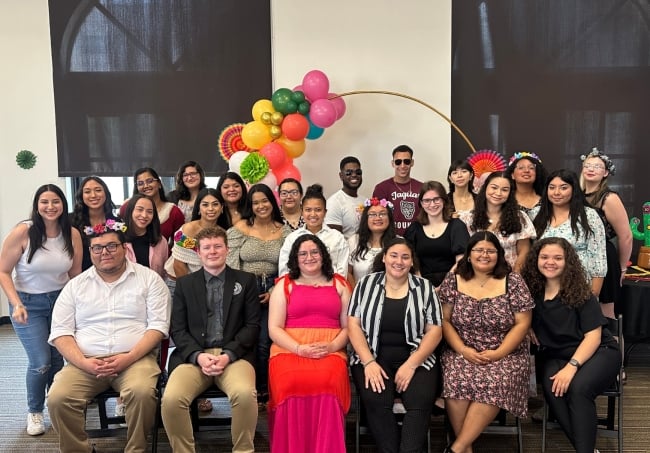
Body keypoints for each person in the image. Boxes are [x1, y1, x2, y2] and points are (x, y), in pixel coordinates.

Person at [47, 223, 170, 453]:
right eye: (97, 248)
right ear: (90, 252)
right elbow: (61, 333)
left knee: (142, 392)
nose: (105, 252)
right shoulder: (75, 286)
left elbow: (158, 326)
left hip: (136, 359)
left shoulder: (150, 280)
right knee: (58, 397)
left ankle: (136, 449)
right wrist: (84, 363)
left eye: (111, 246)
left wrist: (129, 357)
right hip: (85, 361)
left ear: (124, 247)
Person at [161, 226, 260, 453]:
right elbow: (178, 328)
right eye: (207, 247)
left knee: (245, 395)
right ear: (198, 252)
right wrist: (198, 356)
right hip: (194, 357)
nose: (212, 251)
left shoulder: (246, 281)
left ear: (227, 249)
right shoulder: (185, 284)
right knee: (172, 399)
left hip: (235, 357)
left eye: (217, 246)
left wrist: (228, 355)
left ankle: (244, 450)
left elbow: (252, 326)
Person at [521, 237, 620, 453]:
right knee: (552, 388)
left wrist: (572, 367)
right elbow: (517, 316)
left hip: (598, 352)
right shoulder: (530, 292)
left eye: (558, 258)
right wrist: (526, 325)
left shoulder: (581, 291)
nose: (550, 262)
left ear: (568, 262)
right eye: (545, 257)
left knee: (578, 389)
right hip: (556, 355)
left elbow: (593, 337)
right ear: (536, 259)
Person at [438, 231, 533, 453]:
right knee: (455, 379)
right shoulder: (453, 280)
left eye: (490, 251)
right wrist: (463, 349)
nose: (484, 255)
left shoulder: (514, 281)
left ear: (499, 255)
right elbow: (444, 320)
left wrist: (498, 353)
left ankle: (457, 448)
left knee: (494, 382)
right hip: (461, 350)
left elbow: (522, 324)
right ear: (468, 255)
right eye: (479, 250)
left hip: (507, 353)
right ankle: (465, 449)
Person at [0, 184, 82, 436]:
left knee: (59, 359)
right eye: (44, 202)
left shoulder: (72, 233)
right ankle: (34, 411)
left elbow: (74, 274)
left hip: (60, 301)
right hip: (28, 304)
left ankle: (56, 407)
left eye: (55, 201)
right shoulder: (23, 232)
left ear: (63, 205)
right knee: (40, 362)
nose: (50, 207)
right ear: (37, 205)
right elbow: (3, 271)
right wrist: (16, 303)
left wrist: (79, 307)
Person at [348, 237, 443, 453]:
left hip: (417, 357)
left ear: (412, 262)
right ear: (384, 258)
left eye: (405, 257)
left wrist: (411, 364)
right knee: (377, 402)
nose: (398, 261)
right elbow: (353, 325)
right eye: (393, 255)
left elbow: (435, 330)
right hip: (371, 356)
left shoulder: (424, 287)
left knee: (419, 403)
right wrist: (369, 362)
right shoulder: (366, 284)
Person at [267, 234, 352, 453]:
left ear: (323, 255)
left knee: (328, 384)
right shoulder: (283, 286)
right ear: (295, 258)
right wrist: (298, 348)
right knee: (289, 383)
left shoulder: (340, 285)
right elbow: (274, 328)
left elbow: (349, 327)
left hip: (330, 350)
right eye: (303, 253)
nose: (309, 257)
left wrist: (333, 347)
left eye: (314, 252)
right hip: (288, 349)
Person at [226, 184, 292, 405]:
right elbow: (232, 265)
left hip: (275, 289)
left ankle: (264, 389)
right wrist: (244, 292)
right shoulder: (239, 229)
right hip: (244, 289)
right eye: (255, 202)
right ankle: (246, 387)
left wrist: (275, 291)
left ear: (272, 203)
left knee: (265, 340)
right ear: (250, 206)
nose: (261, 206)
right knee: (246, 340)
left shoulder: (285, 232)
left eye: (265, 201)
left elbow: (291, 267)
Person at [532, 169, 607, 296]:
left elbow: (598, 257)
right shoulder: (535, 214)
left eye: (563, 188)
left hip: (579, 284)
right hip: (543, 284)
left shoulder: (588, 216)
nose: (556, 192)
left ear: (574, 189)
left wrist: (594, 294)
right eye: (552, 187)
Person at [580, 147, 633, 320]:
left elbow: (625, 236)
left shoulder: (609, 198)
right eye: (588, 165)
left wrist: (622, 267)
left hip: (604, 257)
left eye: (597, 166)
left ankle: (611, 346)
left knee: (605, 313)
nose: (591, 169)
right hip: (580, 256)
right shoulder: (575, 195)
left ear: (606, 173)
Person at [458, 171, 536, 272]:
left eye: (504, 190)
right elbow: (463, 252)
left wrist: (514, 277)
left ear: (510, 193)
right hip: (476, 276)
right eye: (494, 188)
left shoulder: (520, 217)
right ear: (485, 187)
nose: (498, 193)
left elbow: (524, 251)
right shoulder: (467, 218)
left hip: (510, 275)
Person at [405, 181, 469, 287]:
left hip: (452, 283)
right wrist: (422, 285)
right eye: (427, 200)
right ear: (421, 203)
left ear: (444, 200)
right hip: (420, 284)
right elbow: (411, 261)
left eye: (436, 199)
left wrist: (444, 286)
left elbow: (461, 261)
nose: (432, 204)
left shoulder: (457, 226)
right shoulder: (414, 229)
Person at [278, 184, 349, 277]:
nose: (313, 214)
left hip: (330, 288)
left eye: (318, 210)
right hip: (299, 289)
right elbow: (284, 272)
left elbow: (342, 273)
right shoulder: (292, 238)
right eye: (308, 210)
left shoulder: (337, 238)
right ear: (302, 211)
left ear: (325, 212)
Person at [120, 167, 185, 243]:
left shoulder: (173, 211)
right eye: (140, 183)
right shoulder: (127, 206)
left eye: (150, 181)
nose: (146, 186)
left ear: (159, 184)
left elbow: (180, 242)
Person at [70, 175, 121, 270]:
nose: (93, 195)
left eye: (98, 190)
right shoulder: (71, 221)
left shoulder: (116, 223)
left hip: (110, 273)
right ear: (81, 196)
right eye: (87, 192)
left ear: (106, 193)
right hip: (80, 276)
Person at [372, 144, 423, 235]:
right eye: (398, 162)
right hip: (391, 240)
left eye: (406, 161)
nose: (402, 165)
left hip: (417, 239)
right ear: (393, 163)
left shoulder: (422, 187)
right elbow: (377, 217)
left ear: (412, 163)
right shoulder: (381, 188)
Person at [347, 197, 397, 287]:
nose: (377, 218)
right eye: (372, 214)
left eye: (382, 214)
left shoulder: (398, 242)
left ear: (389, 218)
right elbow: (348, 272)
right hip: (361, 296)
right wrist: (356, 293)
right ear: (365, 219)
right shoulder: (354, 241)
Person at [123, 194, 168, 277]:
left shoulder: (160, 241)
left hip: (154, 288)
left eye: (149, 212)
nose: (144, 215)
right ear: (130, 210)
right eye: (140, 210)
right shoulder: (118, 238)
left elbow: (164, 273)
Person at [325, 156, 365, 238]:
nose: (354, 175)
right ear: (341, 176)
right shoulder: (334, 202)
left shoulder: (365, 200)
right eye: (348, 173)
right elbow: (334, 239)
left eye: (358, 172)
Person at [504, 151, 547, 220]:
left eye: (531, 168)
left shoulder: (547, 199)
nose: (526, 170)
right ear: (512, 175)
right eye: (521, 168)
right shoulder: (505, 199)